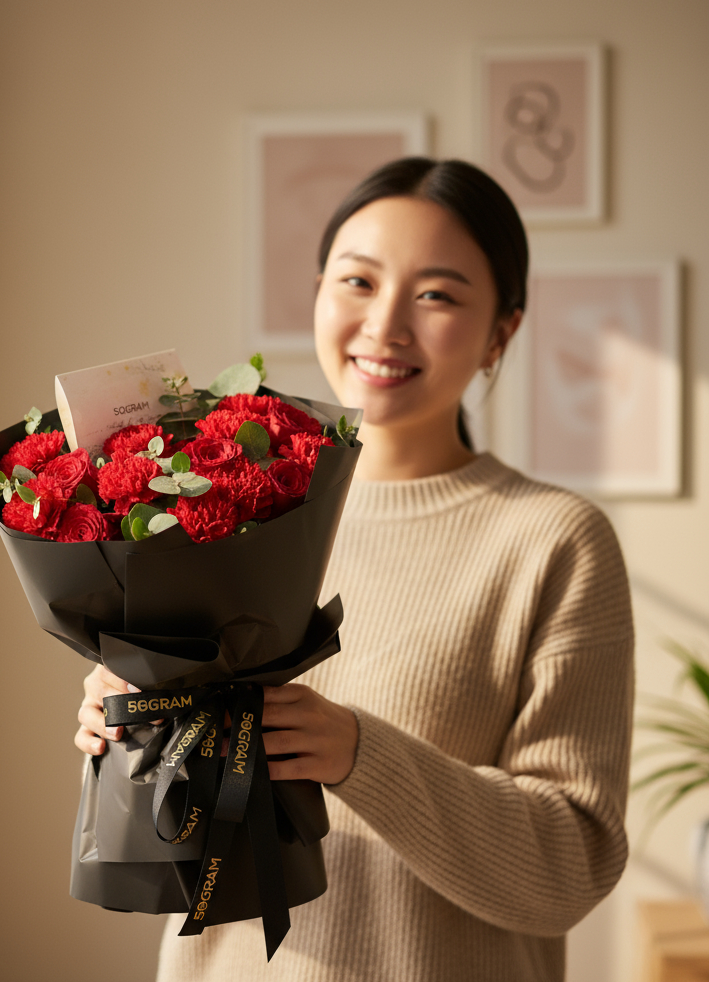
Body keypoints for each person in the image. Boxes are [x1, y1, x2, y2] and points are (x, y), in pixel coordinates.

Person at [74, 157, 634, 982]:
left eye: (436, 294)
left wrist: (359, 754)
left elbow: (573, 864)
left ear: (502, 331)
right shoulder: (227, 511)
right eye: (359, 281)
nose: (386, 326)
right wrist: (128, 722)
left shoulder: (554, 541)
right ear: (318, 291)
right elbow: (184, 825)